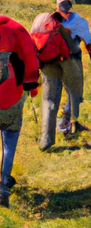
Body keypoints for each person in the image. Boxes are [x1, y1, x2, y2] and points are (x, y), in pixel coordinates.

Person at [37, 0, 91, 150]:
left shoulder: (46, 19)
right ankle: (68, 127)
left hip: (48, 62)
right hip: (70, 61)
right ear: (71, 4)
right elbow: (90, 42)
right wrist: (90, 48)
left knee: (49, 99)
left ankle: (46, 138)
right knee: (74, 95)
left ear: (57, 4)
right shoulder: (78, 20)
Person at [0, 15, 39, 207]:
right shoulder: (16, 29)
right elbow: (31, 59)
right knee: (9, 141)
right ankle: (3, 185)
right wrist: (32, 87)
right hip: (11, 97)